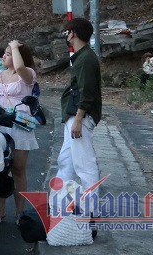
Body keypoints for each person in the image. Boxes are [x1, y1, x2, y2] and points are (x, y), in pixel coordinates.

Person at [0, 39, 38, 223]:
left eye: (8, 53)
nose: (4, 56)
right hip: (0, 123)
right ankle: (0, 210)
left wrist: (15, 46)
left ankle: (20, 211)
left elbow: (21, 68)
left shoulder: (28, 74)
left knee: (18, 168)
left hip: (20, 124)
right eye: (5, 53)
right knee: (0, 168)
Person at [58, 17, 101, 213]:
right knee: (66, 161)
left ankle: (90, 211)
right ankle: (60, 204)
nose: (66, 35)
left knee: (84, 164)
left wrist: (78, 118)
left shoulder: (86, 58)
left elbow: (87, 91)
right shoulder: (82, 57)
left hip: (79, 118)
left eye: (67, 32)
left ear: (73, 33)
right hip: (74, 117)